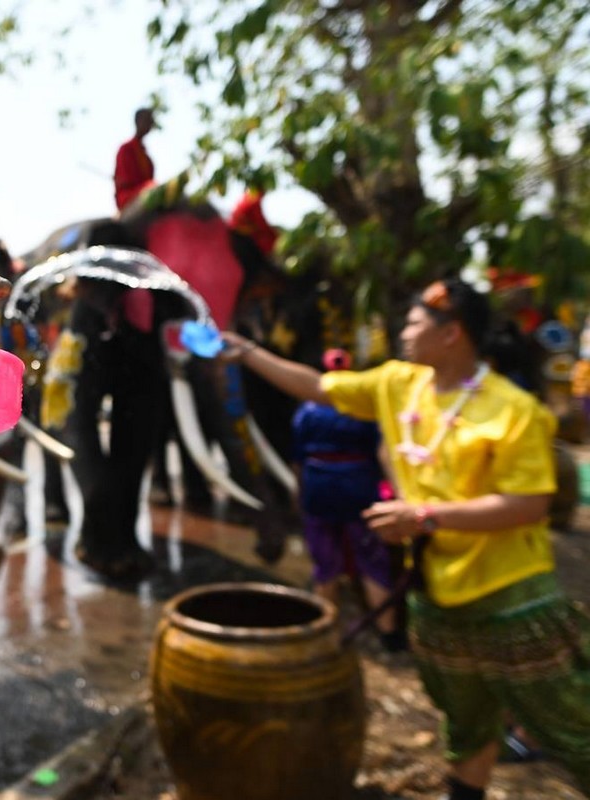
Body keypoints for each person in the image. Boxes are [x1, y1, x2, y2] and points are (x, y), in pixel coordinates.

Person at [220, 278, 590, 800]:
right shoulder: (398, 385)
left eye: (415, 323)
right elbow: (319, 388)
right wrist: (249, 353)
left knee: (573, 726)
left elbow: (529, 504)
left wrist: (425, 517)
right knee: (465, 725)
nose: (403, 331)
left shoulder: (513, 410)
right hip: (436, 598)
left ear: (451, 334)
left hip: (512, 599)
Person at [291, 347, 404, 652]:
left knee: (324, 563)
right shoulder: (364, 408)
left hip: (318, 487)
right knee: (372, 560)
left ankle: (324, 633)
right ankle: (389, 633)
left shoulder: (307, 409)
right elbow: (383, 450)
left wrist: (299, 492)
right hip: (359, 486)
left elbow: (298, 457)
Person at [113, 107, 156, 211]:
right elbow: (124, 182)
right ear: (137, 122)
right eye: (147, 120)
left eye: (151, 121)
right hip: (127, 197)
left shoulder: (147, 158)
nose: (150, 124)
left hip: (144, 193)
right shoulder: (126, 149)